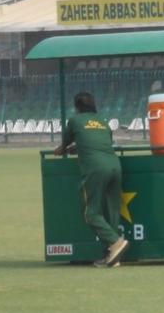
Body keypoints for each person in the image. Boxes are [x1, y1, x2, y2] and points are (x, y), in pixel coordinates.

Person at [53, 92, 129, 268]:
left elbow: (64, 144)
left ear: (77, 107)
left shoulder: (74, 121)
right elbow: (99, 143)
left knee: (90, 213)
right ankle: (111, 256)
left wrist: (62, 149)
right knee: (112, 212)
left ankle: (116, 242)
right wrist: (78, 148)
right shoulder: (103, 122)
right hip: (115, 166)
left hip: (95, 169)